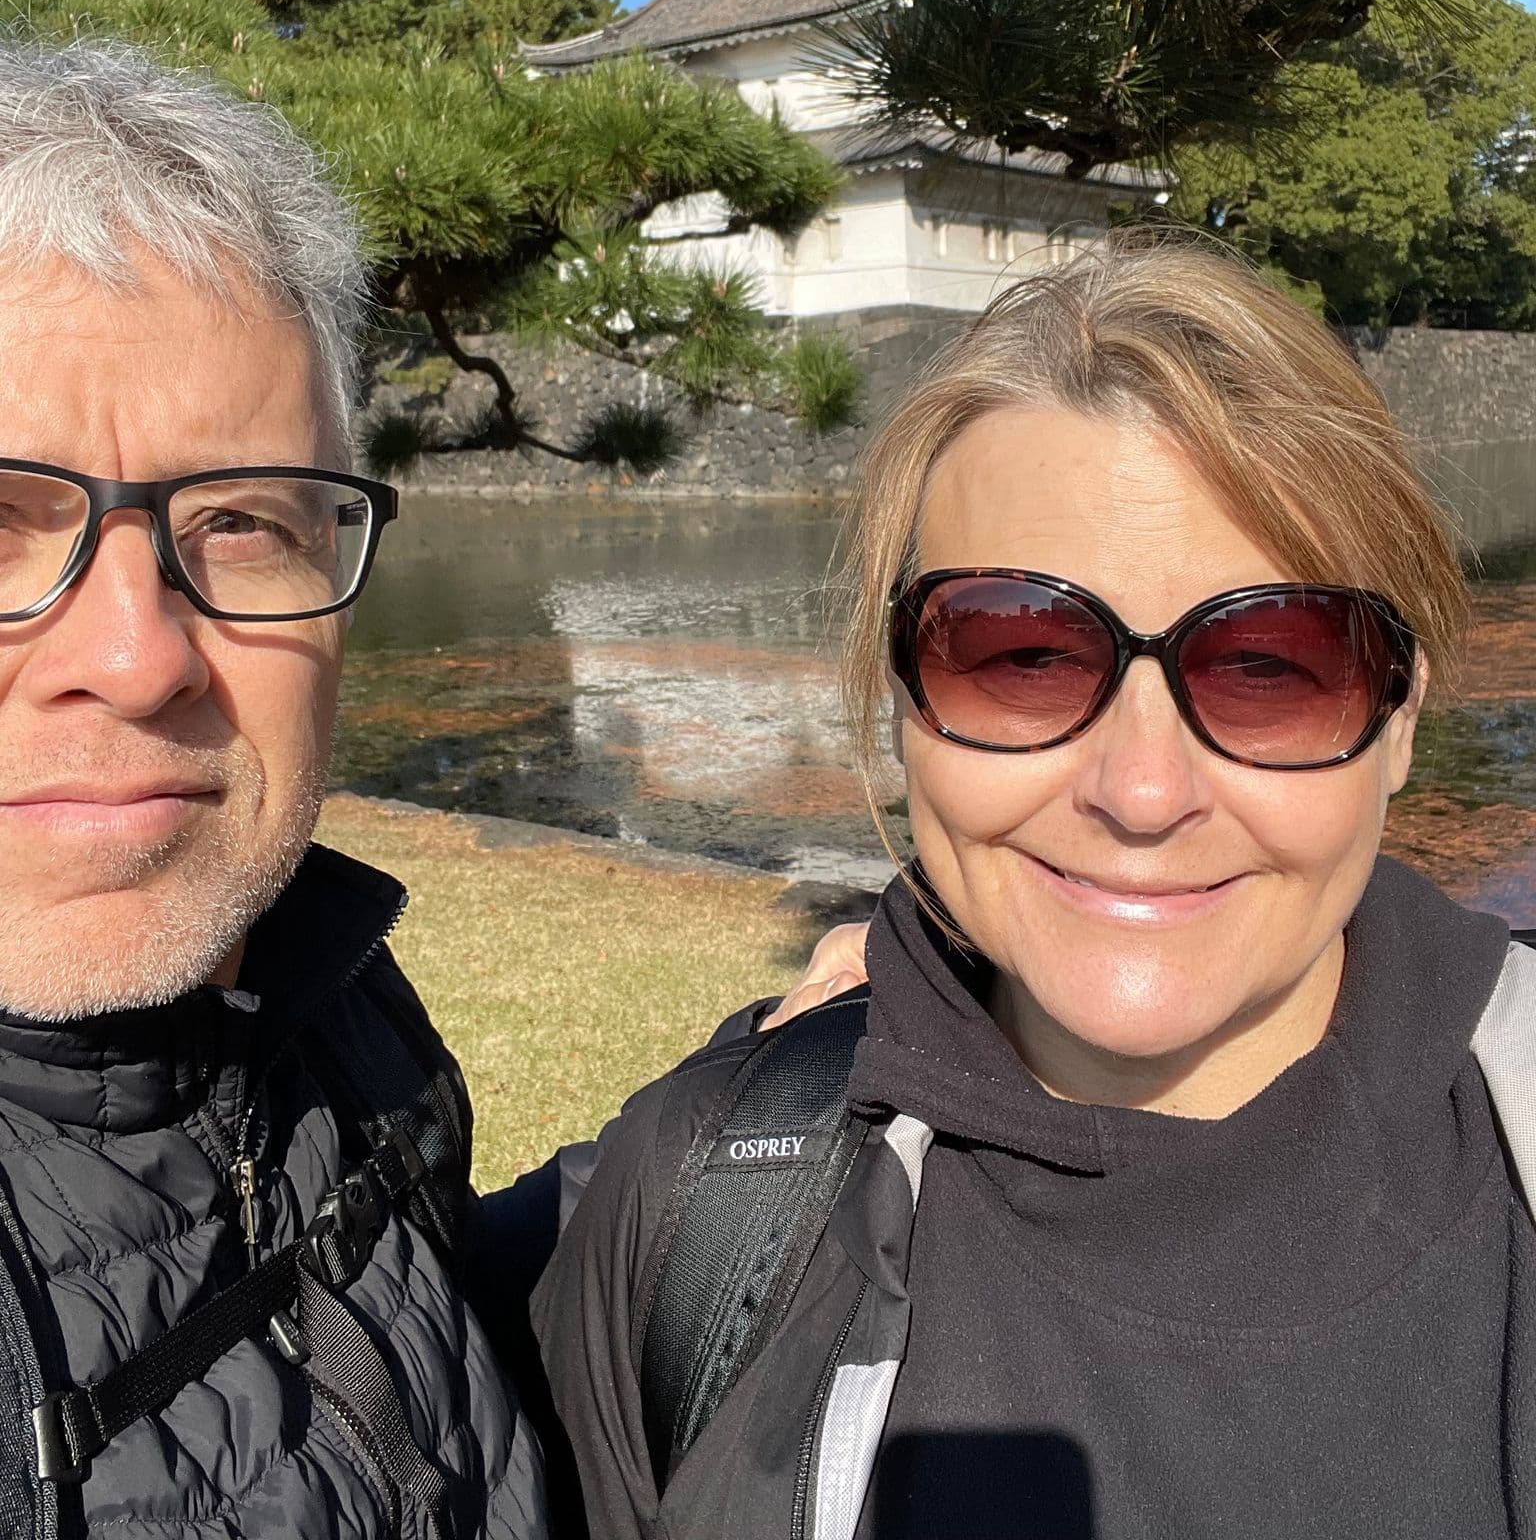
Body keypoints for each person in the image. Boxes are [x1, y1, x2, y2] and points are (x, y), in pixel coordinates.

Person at [532, 236, 1536, 1539]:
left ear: (1399, 716)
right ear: (903, 703)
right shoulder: (698, 1199)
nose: (1141, 790)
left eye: (1273, 663)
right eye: (1019, 655)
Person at [0, 37, 849, 1540]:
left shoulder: (307, 988)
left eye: (246, 519)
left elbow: (407, 1342)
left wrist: (745, 1113)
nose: (137, 657)